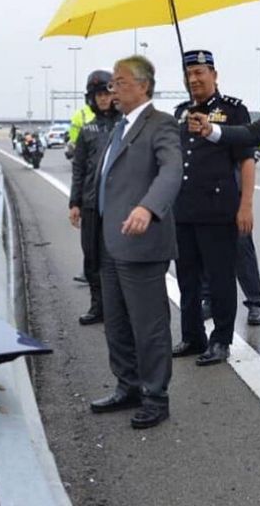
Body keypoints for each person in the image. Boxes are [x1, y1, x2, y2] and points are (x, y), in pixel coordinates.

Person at [87, 55, 181, 430]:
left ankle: (155, 396)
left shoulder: (162, 125)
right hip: (111, 240)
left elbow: (172, 171)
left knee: (149, 325)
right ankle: (127, 385)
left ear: (144, 85)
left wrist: (148, 208)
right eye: (112, 82)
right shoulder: (117, 127)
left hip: (142, 242)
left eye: (120, 82)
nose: (113, 89)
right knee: (117, 323)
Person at [168, 50, 253, 366]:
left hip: (219, 212)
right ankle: (192, 337)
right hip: (184, 210)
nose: (194, 80)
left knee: (219, 279)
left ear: (214, 75)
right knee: (187, 279)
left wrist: (246, 206)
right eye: (189, 75)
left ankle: (221, 340)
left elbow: (246, 160)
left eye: (200, 73)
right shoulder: (180, 113)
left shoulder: (232, 111)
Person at [68, 70, 120, 325]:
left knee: (118, 259)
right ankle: (97, 305)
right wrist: (74, 203)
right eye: (98, 95)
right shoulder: (87, 131)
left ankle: (118, 308)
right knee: (92, 258)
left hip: (119, 204)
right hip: (90, 204)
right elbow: (79, 169)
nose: (103, 99)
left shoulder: (125, 125)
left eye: (107, 93)